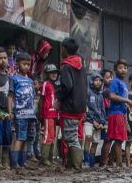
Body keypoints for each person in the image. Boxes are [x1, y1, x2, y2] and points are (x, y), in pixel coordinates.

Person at [57, 38, 87, 171]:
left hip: (69, 107)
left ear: (64, 49)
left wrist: (59, 98)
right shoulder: (81, 65)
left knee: (70, 137)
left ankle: (76, 166)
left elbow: (67, 86)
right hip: (80, 107)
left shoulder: (66, 66)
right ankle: (71, 164)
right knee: (75, 135)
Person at [103, 59, 132, 167]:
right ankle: (118, 164)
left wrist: (127, 106)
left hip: (120, 113)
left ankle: (109, 163)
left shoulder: (123, 84)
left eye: (125, 68)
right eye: (120, 68)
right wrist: (128, 101)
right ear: (115, 70)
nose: (123, 70)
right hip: (115, 113)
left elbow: (120, 98)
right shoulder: (115, 82)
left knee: (114, 139)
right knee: (117, 140)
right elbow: (111, 96)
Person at [10, 51, 37, 172]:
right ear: (17, 64)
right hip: (20, 113)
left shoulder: (31, 81)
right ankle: (15, 163)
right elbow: (10, 96)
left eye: (28, 64)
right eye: (24, 64)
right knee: (20, 137)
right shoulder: (14, 79)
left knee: (26, 138)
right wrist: (10, 111)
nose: (26, 66)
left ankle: (23, 161)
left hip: (30, 114)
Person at [85, 74, 107, 167]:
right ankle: (86, 160)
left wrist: (102, 122)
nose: (98, 82)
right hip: (89, 120)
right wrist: (92, 120)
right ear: (91, 81)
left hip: (99, 123)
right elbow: (86, 108)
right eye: (96, 80)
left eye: (100, 80)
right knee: (88, 137)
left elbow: (102, 110)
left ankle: (92, 162)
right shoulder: (88, 92)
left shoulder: (101, 96)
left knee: (95, 142)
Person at [40, 64, 59, 166]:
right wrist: (40, 115)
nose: (54, 74)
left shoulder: (54, 85)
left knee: (52, 135)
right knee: (47, 135)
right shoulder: (45, 84)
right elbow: (41, 100)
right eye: (51, 73)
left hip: (54, 113)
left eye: (55, 72)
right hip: (47, 114)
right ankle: (44, 159)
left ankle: (50, 158)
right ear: (47, 74)